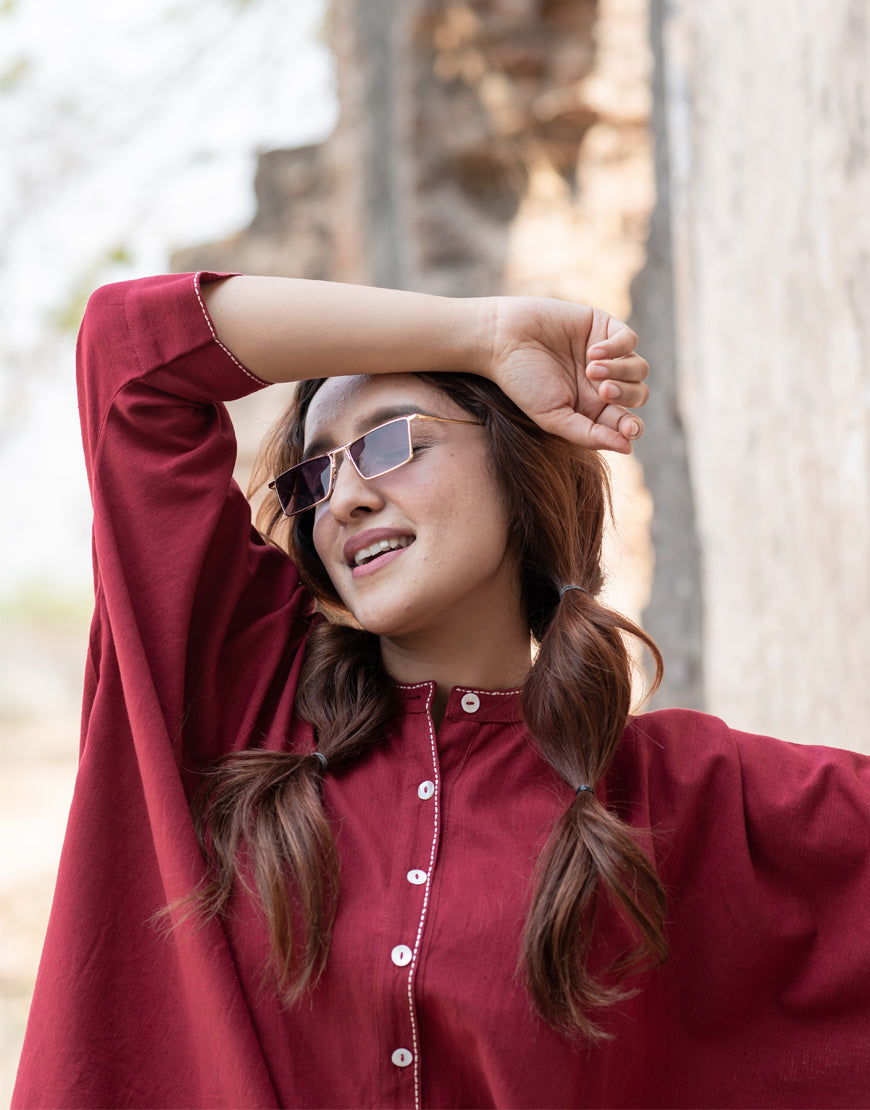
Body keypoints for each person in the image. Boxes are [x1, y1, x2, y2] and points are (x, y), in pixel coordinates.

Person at [12, 271, 870, 1110]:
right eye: (314, 478)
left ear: (513, 458)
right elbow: (130, 354)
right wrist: (483, 334)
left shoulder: (682, 796)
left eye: (392, 442)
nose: (343, 497)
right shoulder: (241, 700)